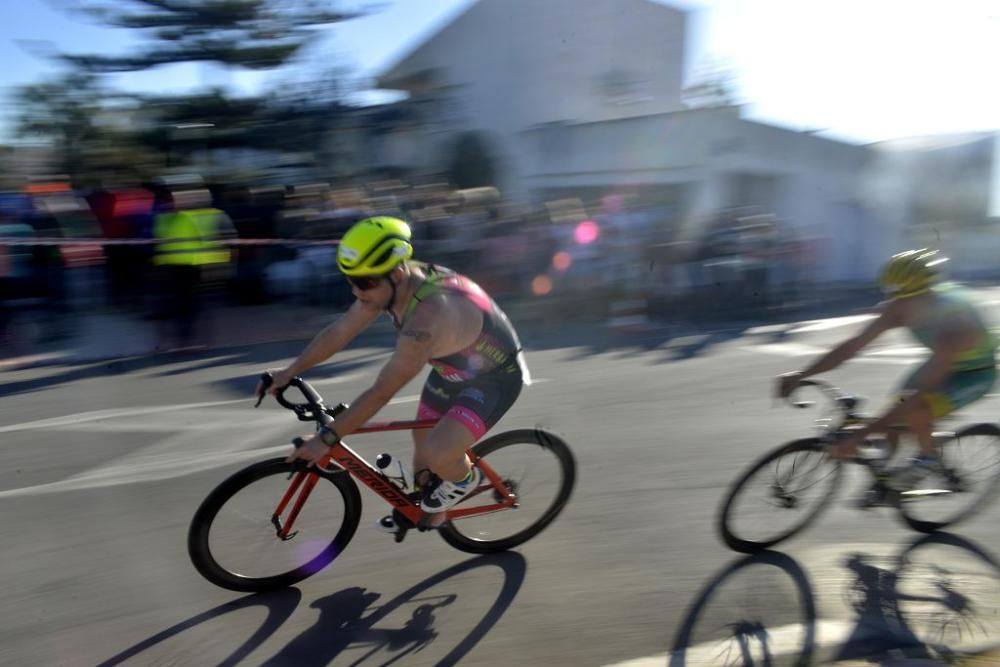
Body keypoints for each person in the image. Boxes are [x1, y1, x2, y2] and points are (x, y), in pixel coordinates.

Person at [257, 216, 529, 531]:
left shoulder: (425, 322)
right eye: (351, 280)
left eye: (365, 282)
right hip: (451, 368)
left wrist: (327, 437)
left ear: (397, 272)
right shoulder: (387, 286)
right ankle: (423, 511)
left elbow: (382, 392)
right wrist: (290, 371)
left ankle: (463, 479)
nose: (358, 291)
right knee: (422, 459)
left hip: (494, 377)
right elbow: (342, 330)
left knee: (439, 451)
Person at [776, 249, 997, 503]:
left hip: (974, 373)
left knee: (915, 410)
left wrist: (860, 435)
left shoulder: (954, 324)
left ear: (927, 295)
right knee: (894, 418)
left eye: (904, 299)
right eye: (893, 297)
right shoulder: (898, 307)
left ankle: (928, 460)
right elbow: (852, 346)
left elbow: (918, 398)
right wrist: (802, 373)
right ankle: (888, 480)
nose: (895, 306)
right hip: (939, 362)